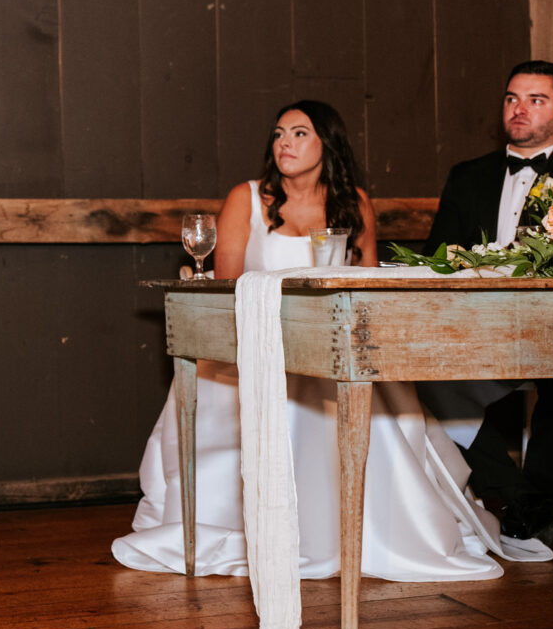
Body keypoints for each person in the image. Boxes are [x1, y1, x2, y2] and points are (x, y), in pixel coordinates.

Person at [113, 100, 524, 582]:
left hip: (333, 344)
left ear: (326, 143)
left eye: (300, 133)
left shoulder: (355, 202)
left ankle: (381, 529)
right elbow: (226, 288)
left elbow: (369, 285)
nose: (285, 142)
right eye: (279, 133)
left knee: (389, 403)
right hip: (256, 346)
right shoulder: (246, 199)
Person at [420, 61, 553, 547]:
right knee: (418, 371)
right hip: (475, 327)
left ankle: (539, 489)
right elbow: (435, 259)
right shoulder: (468, 177)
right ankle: (520, 497)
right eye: (512, 98)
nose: (520, 109)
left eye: (537, 99)